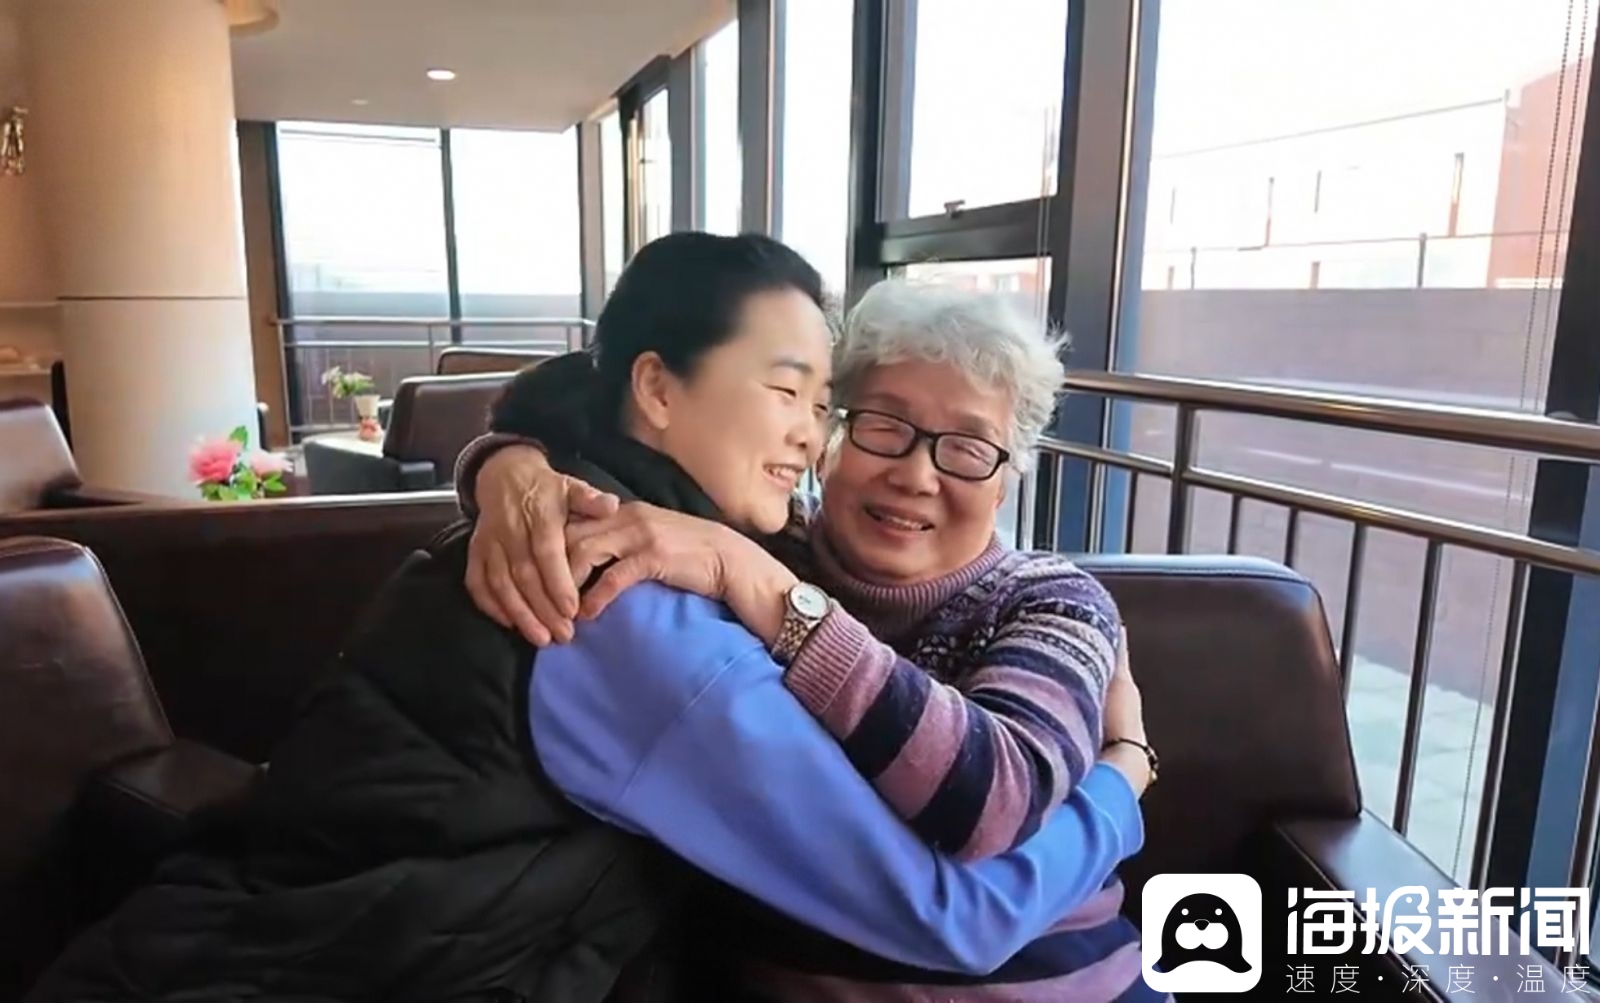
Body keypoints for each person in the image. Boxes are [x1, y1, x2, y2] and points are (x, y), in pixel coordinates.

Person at [24, 234, 1152, 1003]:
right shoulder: (640, 599)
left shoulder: (755, 563)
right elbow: (949, 915)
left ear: (1013, 469)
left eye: (967, 447)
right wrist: (1121, 778)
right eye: (859, 418)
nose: (895, 463)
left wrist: (508, 459)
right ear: (655, 390)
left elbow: (985, 797)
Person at [456, 276, 1163, 1000]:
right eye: (883, 425)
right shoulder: (754, 537)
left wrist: (780, 601)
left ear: (1005, 482)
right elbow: (615, 393)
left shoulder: (1052, 602)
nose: (916, 474)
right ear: (826, 437)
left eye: (967, 447)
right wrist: (508, 463)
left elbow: (993, 800)